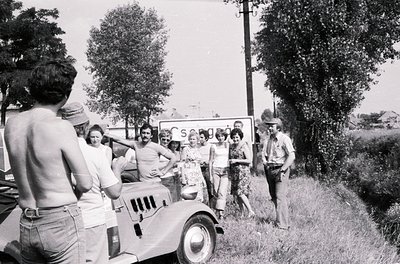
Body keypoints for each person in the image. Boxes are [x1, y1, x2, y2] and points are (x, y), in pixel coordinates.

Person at [4, 60, 92, 263]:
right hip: (59, 218)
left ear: (34, 90)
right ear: (65, 95)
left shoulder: (12, 125)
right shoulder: (60, 126)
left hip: (28, 220)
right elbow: (85, 183)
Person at [61, 102, 127, 263]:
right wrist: (116, 169)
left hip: (61, 223)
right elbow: (114, 192)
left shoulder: (54, 153)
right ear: (85, 128)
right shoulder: (96, 154)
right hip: (91, 222)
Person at [106, 123, 177, 182]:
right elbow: (119, 140)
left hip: (155, 183)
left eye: (147, 133)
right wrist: (105, 134)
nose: (145, 135)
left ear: (151, 135)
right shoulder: (136, 145)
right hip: (141, 182)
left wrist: (163, 172)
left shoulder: (156, 147)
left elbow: (173, 158)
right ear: (140, 134)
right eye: (143, 133)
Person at [264, 118, 295, 230]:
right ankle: (280, 220)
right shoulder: (269, 140)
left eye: (272, 126)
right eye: (269, 126)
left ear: (278, 127)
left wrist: (283, 170)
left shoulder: (284, 139)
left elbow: (291, 156)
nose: (269, 128)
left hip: (280, 169)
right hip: (270, 169)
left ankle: (283, 226)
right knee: (274, 196)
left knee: (280, 196)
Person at [229, 128, 255, 218]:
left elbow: (249, 160)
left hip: (243, 172)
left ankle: (250, 211)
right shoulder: (231, 146)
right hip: (234, 172)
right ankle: (242, 213)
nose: (235, 139)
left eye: (237, 137)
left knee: (241, 192)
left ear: (240, 137)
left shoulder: (244, 146)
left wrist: (236, 160)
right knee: (236, 193)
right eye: (233, 137)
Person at [209, 129, 230, 220]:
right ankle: (215, 210)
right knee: (216, 191)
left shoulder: (228, 146)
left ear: (225, 137)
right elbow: (210, 161)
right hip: (215, 170)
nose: (221, 138)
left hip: (225, 170)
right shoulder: (213, 146)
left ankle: (221, 213)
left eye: (222, 136)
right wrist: (210, 175)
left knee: (222, 191)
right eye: (219, 136)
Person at [181, 131, 206, 202]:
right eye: (191, 139)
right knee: (189, 195)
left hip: (197, 175)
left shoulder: (198, 149)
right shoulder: (185, 149)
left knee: (199, 196)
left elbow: (198, 165)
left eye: (194, 139)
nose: (192, 141)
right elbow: (182, 164)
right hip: (188, 175)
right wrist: (183, 178)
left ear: (197, 140)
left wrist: (202, 178)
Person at [158, 129, 180, 202]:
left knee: (172, 200)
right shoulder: (156, 150)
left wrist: (174, 165)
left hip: (170, 177)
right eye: (163, 139)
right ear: (160, 138)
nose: (165, 142)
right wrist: (168, 165)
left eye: (168, 140)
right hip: (159, 178)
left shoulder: (169, 151)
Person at [198, 129, 214, 206]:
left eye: (201, 137)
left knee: (210, 189)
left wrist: (208, 162)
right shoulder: (198, 147)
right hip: (200, 169)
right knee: (201, 189)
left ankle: (211, 207)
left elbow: (214, 158)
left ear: (206, 138)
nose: (200, 139)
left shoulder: (211, 146)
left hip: (208, 169)